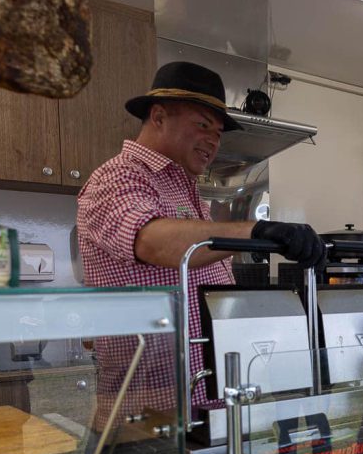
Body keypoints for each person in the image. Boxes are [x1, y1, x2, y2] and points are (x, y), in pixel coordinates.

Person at [76, 62, 326, 430]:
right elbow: (154, 242)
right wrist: (259, 231)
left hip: (210, 409)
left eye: (219, 132)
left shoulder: (188, 190)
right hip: (147, 418)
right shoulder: (118, 177)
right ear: (158, 117)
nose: (214, 140)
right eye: (202, 124)